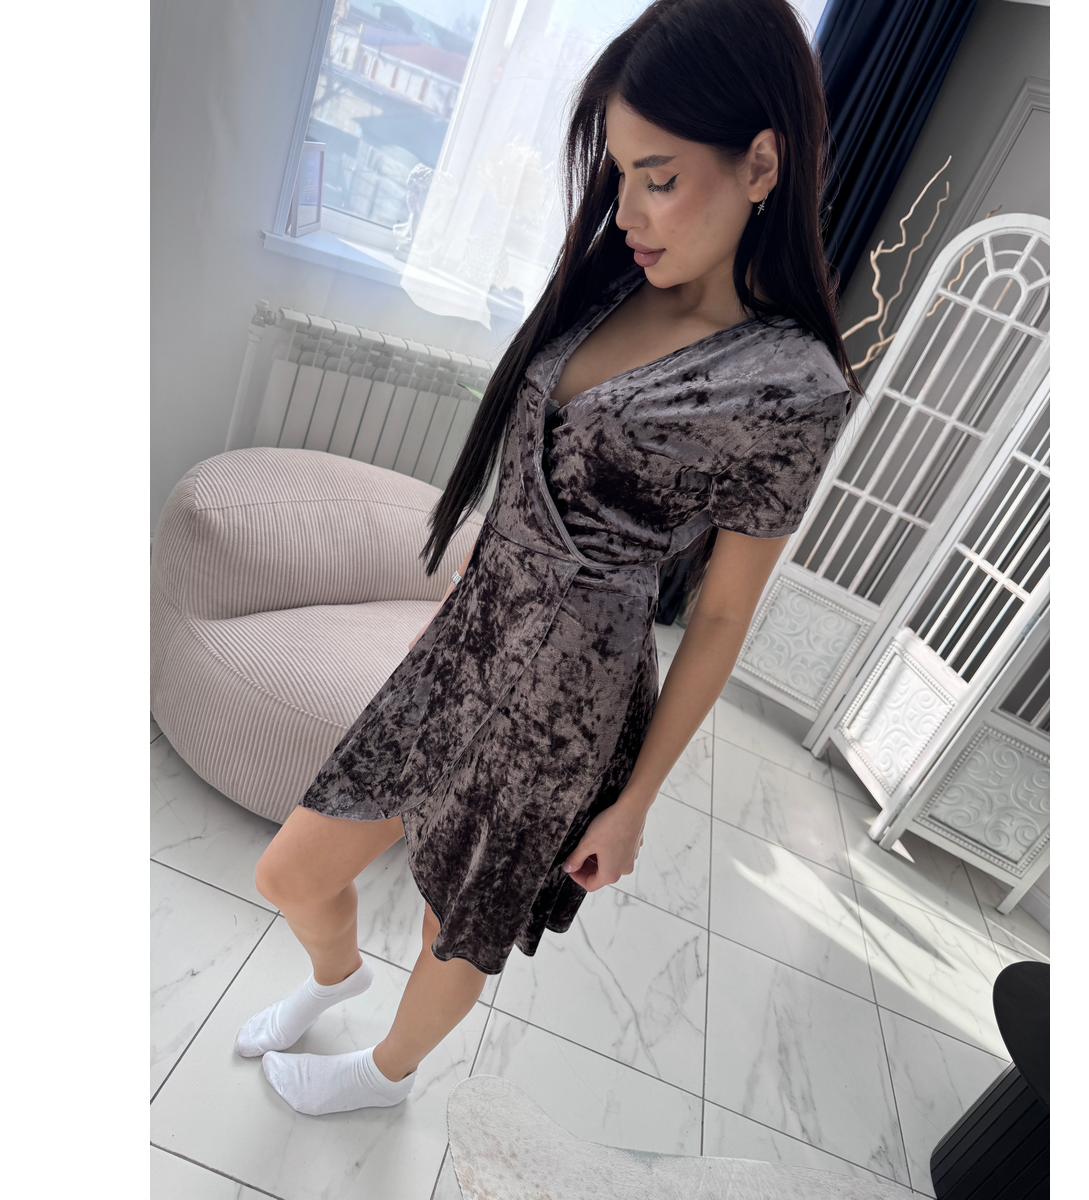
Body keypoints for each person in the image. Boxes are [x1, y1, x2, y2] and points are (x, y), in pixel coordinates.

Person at [238, 0, 860, 1117]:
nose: (628, 210)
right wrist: (477, 576)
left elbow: (721, 614)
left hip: (570, 698)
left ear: (763, 165)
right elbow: (538, 463)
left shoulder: (792, 388)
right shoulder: (617, 280)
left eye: (659, 178)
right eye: (620, 175)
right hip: (471, 637)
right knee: (291, 869)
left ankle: (385, 1076)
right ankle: (335, 976)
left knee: (459, 915)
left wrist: (635, 803)